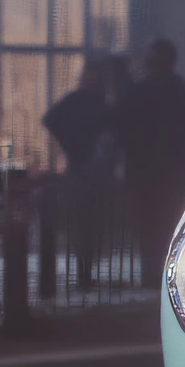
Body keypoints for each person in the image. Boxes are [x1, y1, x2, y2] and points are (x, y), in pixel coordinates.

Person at [120, 38, 185, 289]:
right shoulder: (178, 86)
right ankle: (171, 275)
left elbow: (128, 131)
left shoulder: (140, 88)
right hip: (174, 169)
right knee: (172, 223)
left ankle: (150, 276)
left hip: (146, 170)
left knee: (147, 226)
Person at [43, 60, 116, 286]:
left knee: (88, 222)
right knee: (86, 222)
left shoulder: (87, 102)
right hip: (88, 168)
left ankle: (85, 270)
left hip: (86, 167)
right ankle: (84, 270)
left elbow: (51, 119)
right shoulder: (97, 103)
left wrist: (70, 145)